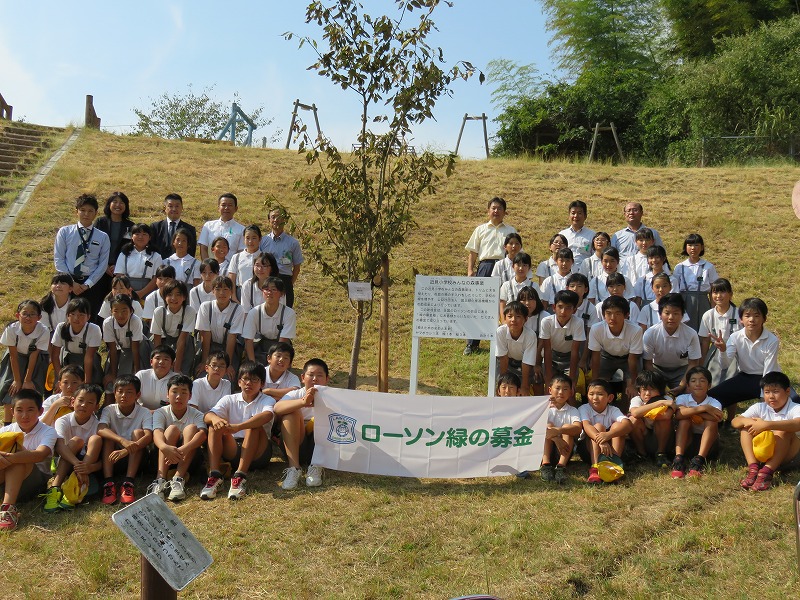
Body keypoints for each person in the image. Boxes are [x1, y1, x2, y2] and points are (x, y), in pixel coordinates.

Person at [709, 297, 793, 429]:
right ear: (741, 319)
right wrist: (723, 351)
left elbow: (769, 371)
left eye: (756, 315)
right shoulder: (735, 337)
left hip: (770, 379)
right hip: (746, 377)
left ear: (764, 319)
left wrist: (766, 399)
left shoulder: (772, 340)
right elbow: (724, 365)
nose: (752, 320)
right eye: (747, 315)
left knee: (794, 402)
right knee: (712, 397)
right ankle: (716, 423)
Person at [200, 361, 276, 500]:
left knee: (254, 425)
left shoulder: (267, 400)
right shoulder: (229, 399)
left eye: (254, 379)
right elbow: (207, 415)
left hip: (259, 452)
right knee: (214, 425)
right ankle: (215, 475)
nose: (249, 383)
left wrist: (239, 426)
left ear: (262, 384)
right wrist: (216, 420)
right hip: (234, 448)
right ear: (239, 382)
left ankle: (240, 476)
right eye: (246, 379)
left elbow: (267, 415)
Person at [464, 197, 516, 355]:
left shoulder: (510, 231)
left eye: (500, 208)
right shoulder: (480, 229)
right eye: (493, 208)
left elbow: (515, 252)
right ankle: (472, 344)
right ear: (488, 211)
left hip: (505, 267)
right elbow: (473, 251)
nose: (496, 211)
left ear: (504, 212)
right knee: (480, 305)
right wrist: (470, 270)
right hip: (485, 267)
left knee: (505, 303)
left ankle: (505, 343)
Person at [0, 389, 58, 531]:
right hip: (6, 480)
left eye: (30, 410)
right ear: (12, 411)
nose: (25, 415)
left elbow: (40, 454)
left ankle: (8, 510)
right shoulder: (5, 430)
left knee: (20, 459)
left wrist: (11, 458)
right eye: (19, 410)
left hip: (34, 483)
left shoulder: (48, 431)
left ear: (40, 411)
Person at [733, 371, 800, 492]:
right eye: (767, 392)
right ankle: (753, 469)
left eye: (776, 391)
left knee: (783, 431)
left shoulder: (795, 407)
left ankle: (766, 473)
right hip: (763, 454)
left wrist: (766, 425)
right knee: (745, 428)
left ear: (788, 391)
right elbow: (735, 421)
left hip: (790, 456)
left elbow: (798, 424)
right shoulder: (760, 407)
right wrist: (752, 423)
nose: (771, 396)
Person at [148, 374, 207, 502]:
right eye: (174, 392)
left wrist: (185, 448)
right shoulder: (161, 412)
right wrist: (165, 447)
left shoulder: (197, 414)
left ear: (190, 396)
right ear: (167, 395)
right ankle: (160, 481)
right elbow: (157, 433)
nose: (179, 397)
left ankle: (178, 479)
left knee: (191, 429)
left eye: (184, 392)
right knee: (171, 430)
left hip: (189, 458)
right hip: (164, 459)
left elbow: (202, 434)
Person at [44, 383, 103, 511]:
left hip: (87, 464)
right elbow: (59, 446)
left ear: (96, 406)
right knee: (76, 441)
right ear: (72, 401)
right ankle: (55, 488)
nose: (83, 405)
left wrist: (87, 468)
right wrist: (77, 464)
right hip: (67, 459)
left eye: (89, 402)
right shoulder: (63, 420)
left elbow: (102, 461)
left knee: (96, 439)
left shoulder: (98, 424)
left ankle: (74, 485)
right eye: (80, 400)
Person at [53, 194, 111, 321]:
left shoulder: (102, 237)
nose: (86, 214)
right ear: (76, 212)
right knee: (65, 318)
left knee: (89, 318)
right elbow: (59, 259)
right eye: (83, 210)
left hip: (91, 283)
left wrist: (87, 284)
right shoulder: (65, 232)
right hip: (68, 281)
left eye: (90, 211)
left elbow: (102, 264)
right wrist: (71, 283)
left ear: (96, 213)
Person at [273, 358, 329, 489]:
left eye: (319, 375)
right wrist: (303, 402)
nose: (315, 379)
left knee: (324, 417)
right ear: (303, 377)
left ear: (327, 379)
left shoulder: (332, 397)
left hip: (321, 447)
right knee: (291, 413)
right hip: (296, 445)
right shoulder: (295, 394)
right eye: (311, 375)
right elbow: (277, 408)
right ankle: (294, 469)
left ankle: (316, 466)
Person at [97, 375, 153, 505]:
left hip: (136, 457)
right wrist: (122, 441)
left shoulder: (144, 412)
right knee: (109, 435)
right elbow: (100, 429)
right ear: (114, 393)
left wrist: (127, 449)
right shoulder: (109, 409)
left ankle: (128, 483)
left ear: (137, 395)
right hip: (112, 457)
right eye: (120, 391)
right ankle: (108, 483)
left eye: (129, 392)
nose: (124, 395)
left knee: (138, 433)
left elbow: (149, 436)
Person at [0, 300, 50, 425]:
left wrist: (27, 380)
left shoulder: (43, 331)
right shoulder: (11, 329)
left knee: (32, 390)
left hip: (36, 361)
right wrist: (17, 380)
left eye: (32, 314)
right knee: (10, 390)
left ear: (39, 317)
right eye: (25, 313)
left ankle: (31, 426)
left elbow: (34, 355)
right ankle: (6, 426)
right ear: (18, 315)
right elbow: (13, 355)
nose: (28, 317)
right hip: (15, 360)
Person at [642, 293, 702, 396]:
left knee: (691, 392)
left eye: (676, 313)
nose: (671, 317)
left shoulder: (691, 334)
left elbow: (693, 363)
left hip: (682, 370)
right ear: (660, 315)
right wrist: (661, 386)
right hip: (657, 369)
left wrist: (682, 385)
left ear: (682, 315)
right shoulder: (650, 333)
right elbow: (647, 363)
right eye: (667, 313)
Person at [588, 295, 644, 404]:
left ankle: (626, 411)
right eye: (608, 313)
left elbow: (632, 360)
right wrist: (594, 382)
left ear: (626, 315)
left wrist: (632, 383)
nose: (612, 318)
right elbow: (595, 357)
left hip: (628, 358)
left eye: (618, 314)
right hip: (606, 357)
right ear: (604, 315)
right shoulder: (596, 329)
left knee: (630, 390)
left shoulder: (636, 330)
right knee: (599, 386)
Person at [672, 366, 722, 479]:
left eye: (702, 380)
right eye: (693, 381)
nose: (698, 384)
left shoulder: (714, 402)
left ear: (709, 385)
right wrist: (704, 408)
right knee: (684, 421)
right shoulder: (682, 398)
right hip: (686, 440)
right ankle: (678, 459)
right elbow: (679, 414)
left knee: (711, 422)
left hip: (708, 445)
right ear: (688, 386)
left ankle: (699, 460)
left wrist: (690, 412)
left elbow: (716, 417)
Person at [579, 379, 632, 484]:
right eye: (591, 394)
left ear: (610, 398)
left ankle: (614, 465)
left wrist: (608, 435)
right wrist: (602, 441)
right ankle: (594, 469)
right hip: (588, 450)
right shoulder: (584, 408)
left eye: (599, 394)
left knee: (618, 426)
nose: (595, 398)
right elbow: (586, 425)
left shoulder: (613, 410)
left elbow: (628, 425)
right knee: (598, 427)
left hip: (610, 450)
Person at [195, 276, 244, 381]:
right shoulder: (205, 307)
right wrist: (205, 361)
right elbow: (205, 335)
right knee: (202, 375)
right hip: (209, 347)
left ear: (231, 291)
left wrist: (228, 363)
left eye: (226, 289)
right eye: (218, 289)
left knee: (228, 377)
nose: (222, 293)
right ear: (212, 291)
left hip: (229, 349)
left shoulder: (238, 309)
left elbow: (232, 337)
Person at [242, 277, 297, 364]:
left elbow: (283, 340)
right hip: (259, 345)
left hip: (280, 347)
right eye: (266, 289)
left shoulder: (289, 313)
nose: (269, 293)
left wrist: (273, 362)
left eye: (273, 290)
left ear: (282, 294)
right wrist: (252, 362)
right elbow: (248, 340)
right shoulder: (254, 312)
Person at [49, 297, 102, 386]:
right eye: (72, 314)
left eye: (81, 315)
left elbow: (89, 358)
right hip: (66, 361)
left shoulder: (94, 329)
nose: (76, 318)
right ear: (67, 316)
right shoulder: (61, 327)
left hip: (88, 362)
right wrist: (60, 378)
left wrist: (86, 382)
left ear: (88, 317)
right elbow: (55, 355)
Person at [672, 233, 719, 331]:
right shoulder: (680, 267)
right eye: (690, 245)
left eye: (696, 245)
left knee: (703, 329)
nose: (693, 248)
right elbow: (675, 289)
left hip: (702, 300)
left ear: (702, 248)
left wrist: (713, 309)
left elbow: (714, 290)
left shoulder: (708, 266)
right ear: (685, 247)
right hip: (684, 301)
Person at [94, 191, 134, 303]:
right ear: (109, 204)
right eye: (114, 202)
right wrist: (104, 264)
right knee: (99, 300)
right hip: (100, 268)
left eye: (122, 202)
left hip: (119, 270)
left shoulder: (130, 226)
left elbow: (130, 249)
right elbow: (94, 245)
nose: (118, 205)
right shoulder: (100, 222)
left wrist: (118, 265)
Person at [540, 374, 582, 483]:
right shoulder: (544, 408)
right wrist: (556, 438)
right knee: (548, 426)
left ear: (571, 392)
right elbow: (537, 428)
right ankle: (546, 465)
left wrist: (560, 431)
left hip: (564, 450)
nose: (560, 392)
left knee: (567, 428)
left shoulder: (573, 410)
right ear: (550, 390)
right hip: (544, 450)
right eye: (557, 388)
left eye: (565, 389)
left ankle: (561, 467)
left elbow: (578, 428)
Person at [259, 208, 304, 308]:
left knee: (284, 314)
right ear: (269, 220)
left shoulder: (293, 243)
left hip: (285, 280)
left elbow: (297, 267)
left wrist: (289, 284)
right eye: (273, 217)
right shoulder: (263, 241)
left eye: (279, 217)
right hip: (267, 280)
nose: (275, 220)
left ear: (285, 219)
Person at [697, 278, 739, 385]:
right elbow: (705, 341)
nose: (718, 296)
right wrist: (702, 364)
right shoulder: (708, 315)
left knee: (732, 383)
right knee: (714, 384)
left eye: (722, 291)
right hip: (715, 351)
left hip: (736, 351)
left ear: (730, 294)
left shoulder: (739, 313)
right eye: (715, 292)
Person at [628, 370, 674, 467]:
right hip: (645, 437)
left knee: (662, 419)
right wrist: (658, 403)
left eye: (652, 389)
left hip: (664, 440)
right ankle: (641, 454)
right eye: (644, 389)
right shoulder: (637, 400)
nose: (647, 393)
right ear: (639, 391)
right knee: (633, 420)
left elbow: (666, 416)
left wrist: (644, 412)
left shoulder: (667, 399)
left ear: (660, 389)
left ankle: (661, 454)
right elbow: (635, 413)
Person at [102, 294, 147, 391]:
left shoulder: (135, 321)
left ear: (131, 311)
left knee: (138, 379)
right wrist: (113, 375)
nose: (120, 315)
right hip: (121, 350)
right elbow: (112, 350)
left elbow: (135, 349)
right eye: (116, 311)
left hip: (140, 349)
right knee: (112, 381)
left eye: (124, 311)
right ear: (111, 312)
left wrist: (137, 372)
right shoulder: (108, 323)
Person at [151, 280, 196, 375]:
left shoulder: (189, 311)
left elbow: (182, 340)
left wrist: (176, 368)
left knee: (189, 341)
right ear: (164, 297)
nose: (173, 298)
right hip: (164, 341)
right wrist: (159, 361)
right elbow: (157, 339)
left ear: (184, 297)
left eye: (178, 294)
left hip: (182, 342)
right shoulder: (159, 311)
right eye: (170, 294)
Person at [540, 290, 585, 386]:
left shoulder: (578, 323)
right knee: (550, 389)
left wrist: (572, 378)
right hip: (552, 356)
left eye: (568, 308)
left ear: (574, 310)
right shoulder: (546, 322)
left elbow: (575, 351)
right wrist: (548, 377)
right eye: (560, 307)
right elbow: (547, 349)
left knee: (569, 390)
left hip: (569, 358)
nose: (563, 312)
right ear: (553, 307)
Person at [495, 301, 537, 393]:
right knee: (503, 386)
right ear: (505, 318)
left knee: (531, 383)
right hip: (507, 361)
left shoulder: (530, 335)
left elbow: (527, 362)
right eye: (510, 316)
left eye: (518, 316)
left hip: (523, 364)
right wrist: (503, 382)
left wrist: (525, 385)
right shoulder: (500, 331)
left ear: (526, 319)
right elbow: (503, 357)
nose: (513, 320)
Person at [113, 223, 162, 297]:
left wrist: (141, 293)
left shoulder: (155, 256)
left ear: (150, 237)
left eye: (144, 234)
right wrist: (128, 291)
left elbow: (156, 278)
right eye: (137, 234)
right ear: (132, 236)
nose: (140, 237)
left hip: (148, 292)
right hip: (126, 291)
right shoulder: (124, 254)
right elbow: (119, 274)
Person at [198, 193, 245, 261]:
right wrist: (208, 267)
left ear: (236, 208)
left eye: (230, 205)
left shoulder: (241, 229)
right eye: (223, 205)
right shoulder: (208, 226)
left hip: (230, 269)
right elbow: (203, 248)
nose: (226, 208)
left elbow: (241, 252)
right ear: (218, 208)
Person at [150, 193, 197, 260]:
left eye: (177, 206)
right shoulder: (155, 227)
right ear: (165, 208)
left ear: (182, 208)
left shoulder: (190, 229)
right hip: (158, 266)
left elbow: (191, 252)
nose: (174, 209)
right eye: (170, 206)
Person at [135, 345, 177, 411]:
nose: (161, 362)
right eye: (157, 358)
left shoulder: (177, 379)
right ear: (151, 362)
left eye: (166, 359)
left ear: (172, 364)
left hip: (167, 415)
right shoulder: (142, 375)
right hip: (142, 413)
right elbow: (131, 398)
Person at [228, 224, 263, 301]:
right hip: (240, 293)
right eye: (247, 238)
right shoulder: (236, 257)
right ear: (244, 239)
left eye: (254, 238)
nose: (250, 241)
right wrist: (234, 297)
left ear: (260, 239)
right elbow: (232, 278)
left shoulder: (264, 257)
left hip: (260, 294)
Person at [558, 200, 595, 269]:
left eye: (579, 213)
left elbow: (595, 257)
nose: (576, 216)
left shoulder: (592, 235)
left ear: (585, 216)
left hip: (585, 273)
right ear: (569, 215)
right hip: (566, 272)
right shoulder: (562, 235)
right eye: (573, 213)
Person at [498, 252, 535, 316]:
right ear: (513, 266)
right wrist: (504, 320)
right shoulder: (506, 285)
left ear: (529, 268)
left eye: (524, 265)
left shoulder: (534, 286)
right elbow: (502, 304)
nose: (521, 268)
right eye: (518, 265)